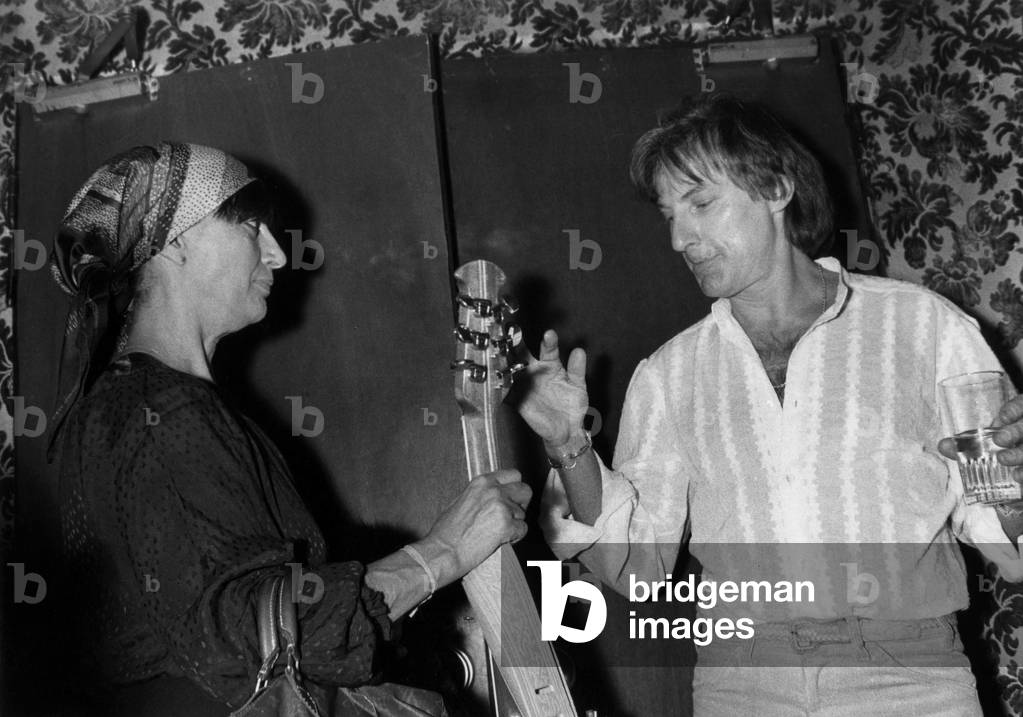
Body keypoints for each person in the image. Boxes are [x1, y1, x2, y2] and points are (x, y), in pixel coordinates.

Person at [516, 95, 1023, 715]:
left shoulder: (927, 327)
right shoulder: (670, 373)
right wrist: (569, 447)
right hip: (741, 681)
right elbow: (637, 568)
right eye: (668, 214)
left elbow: (1003, 531)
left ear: (777, 188)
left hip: (909, 676)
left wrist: (1017, 478)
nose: (679, 237)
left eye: (700, 202)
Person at [46, 142, 531, 716]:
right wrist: (445, 551)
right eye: (252, 228)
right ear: (174, 243)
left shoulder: (123, 405)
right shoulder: (164, 413)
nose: (278, 254)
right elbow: (250, 635)